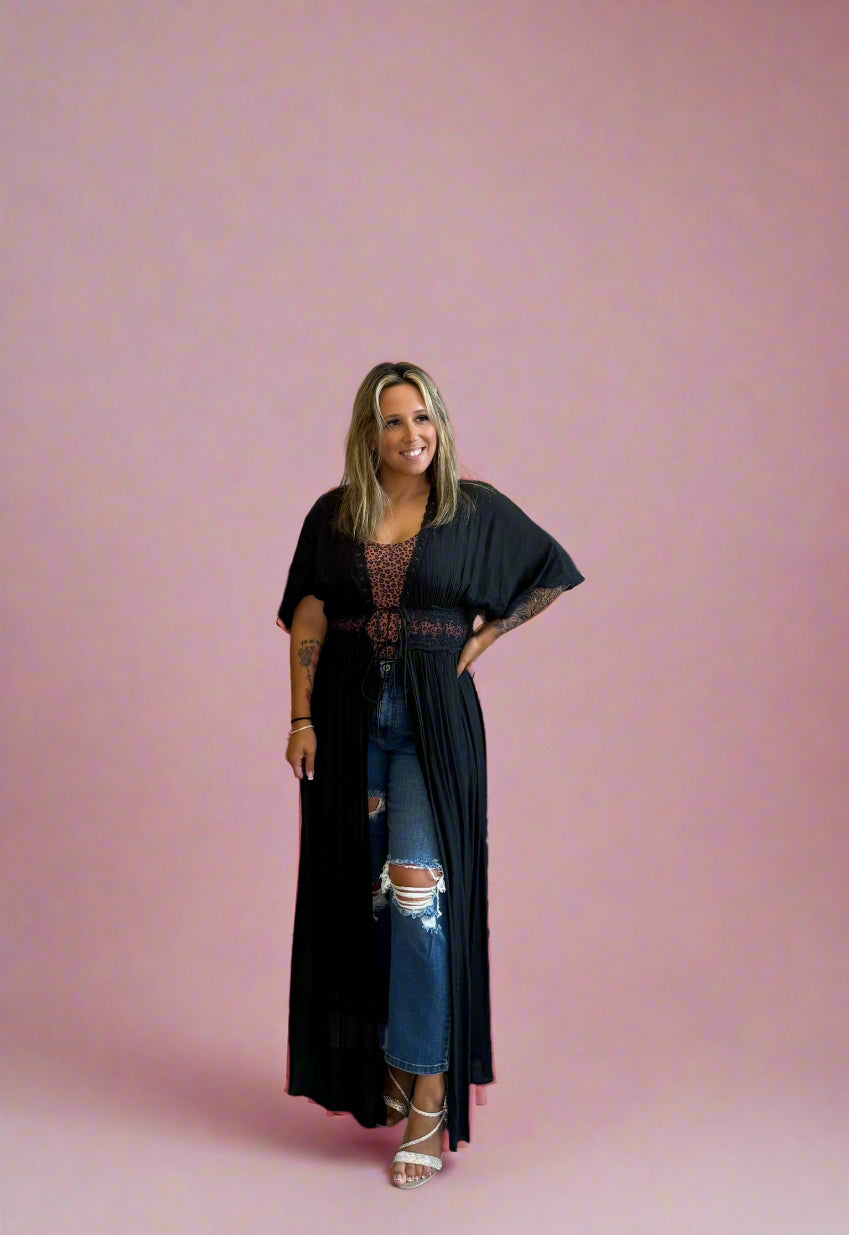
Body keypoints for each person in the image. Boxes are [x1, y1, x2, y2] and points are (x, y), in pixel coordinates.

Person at [276, 361, 585, 1189]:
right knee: (362, 896)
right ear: (368, 432)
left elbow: (548, 567)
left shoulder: (469, 508)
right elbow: (308, 613)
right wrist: (301, 718)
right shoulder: (334, 514)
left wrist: (486, 634)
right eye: (393, 420)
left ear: (439, 424)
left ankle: (428, 1088)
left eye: (423, 417)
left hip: (431, 726)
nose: (411, 434)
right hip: (347, 720)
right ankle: (385, 1059)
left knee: (417, 891)